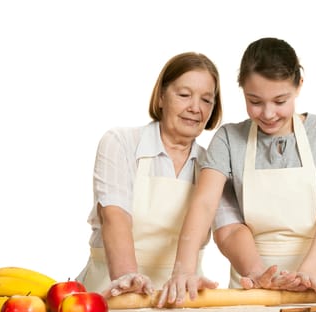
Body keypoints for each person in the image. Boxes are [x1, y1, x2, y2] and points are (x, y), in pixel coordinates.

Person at [158, 37, 316, 307]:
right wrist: (185, 269)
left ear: (299, 85)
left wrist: (308, 273)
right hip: (251, 286)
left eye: (280, 100)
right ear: (242, 91)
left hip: (315, 283)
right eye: (255, 101)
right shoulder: (228, 139)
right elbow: (204, 206)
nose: (269, 113)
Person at [76, 52, 226, 298]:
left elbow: (229, 228)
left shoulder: (213, 164)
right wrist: (127, 277)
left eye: (207, 100)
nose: (195, 108)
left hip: (179, 298)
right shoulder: (121, 143)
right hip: (111, 291)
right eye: (184, 95)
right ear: (160, 97)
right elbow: (115, 216)